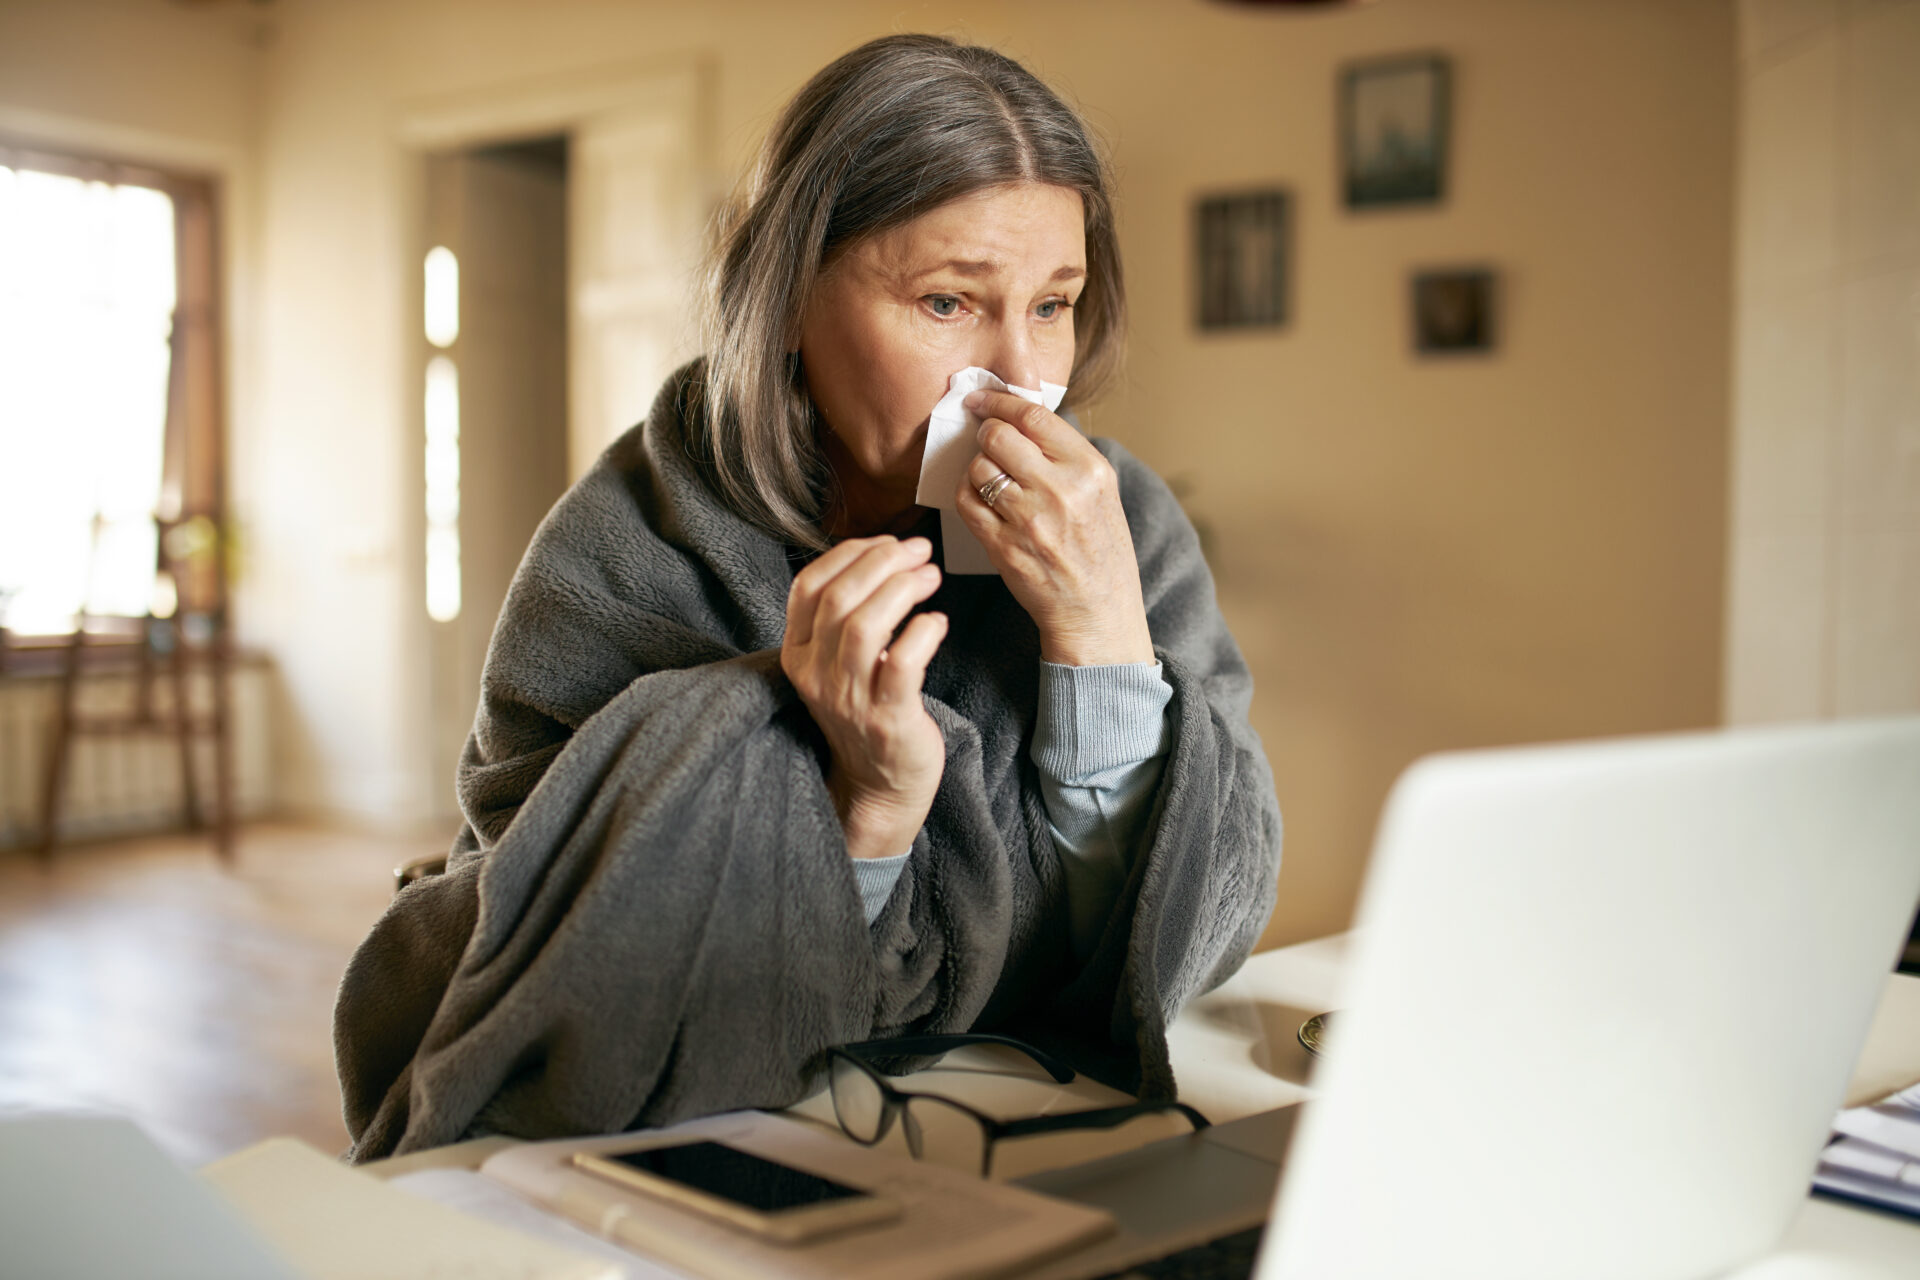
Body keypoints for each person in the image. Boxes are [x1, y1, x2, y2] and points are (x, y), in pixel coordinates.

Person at [334, 33, 1281, 1163]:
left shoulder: (1121, 528)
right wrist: (864, 808)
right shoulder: (630, 546)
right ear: (784, 295)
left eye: (1054, 303)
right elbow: (556, 981)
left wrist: (1104, 646)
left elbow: (1180, 942)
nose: (1017, 374)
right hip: (713, 1161)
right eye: (945, 301)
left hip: (1042, 1145)